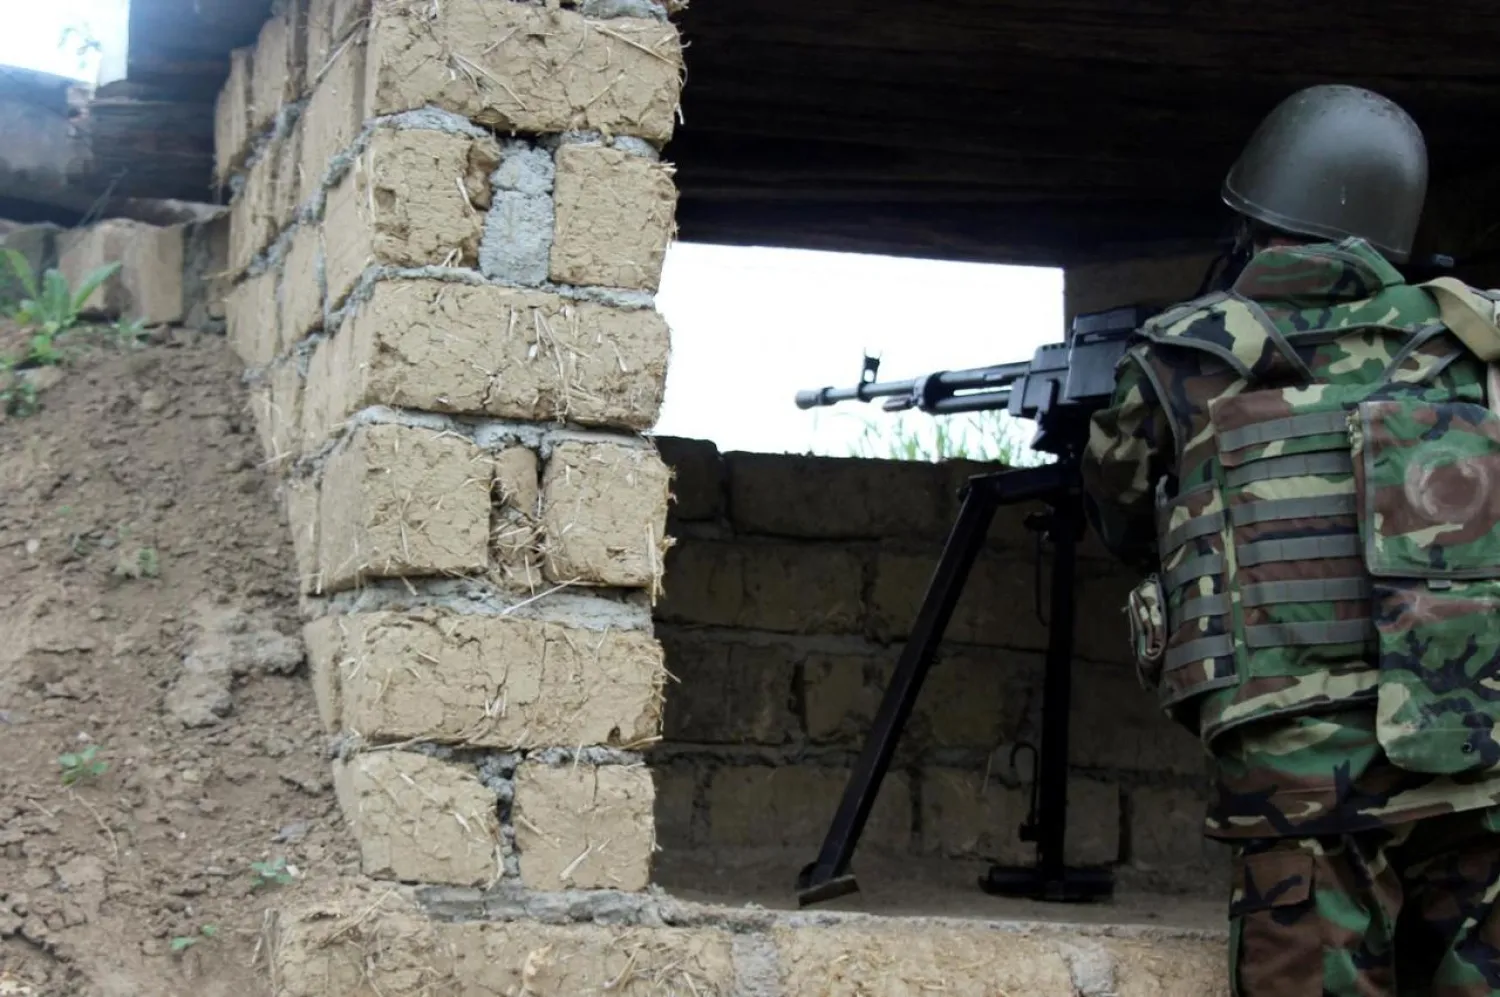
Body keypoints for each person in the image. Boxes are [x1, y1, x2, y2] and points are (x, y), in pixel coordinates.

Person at [1079, 83, 1500, 996]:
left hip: (1301, 782)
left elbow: (1116, 514)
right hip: (1473, 770)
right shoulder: (1477, 343)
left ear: (1254, 218)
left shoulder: (1186, 355)